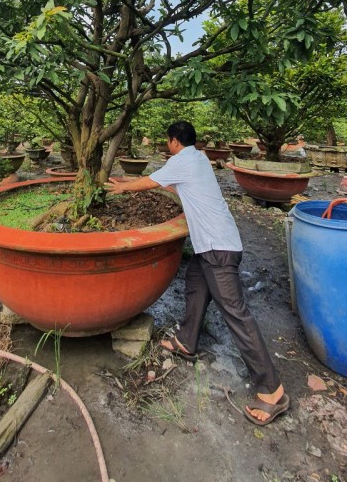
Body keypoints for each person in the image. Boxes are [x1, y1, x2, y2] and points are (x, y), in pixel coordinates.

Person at [105, 120, 289, 425]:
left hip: (218, 248)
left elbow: (150, 181)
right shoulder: (198, 158)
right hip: (212, 245)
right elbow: (172, 185)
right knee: (195, 282)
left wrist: (121, 186)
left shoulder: (183, 160)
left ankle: (273, 390)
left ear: (175, 141)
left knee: (236, 313)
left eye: (168, 141)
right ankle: (187, 342)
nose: (167, 146)